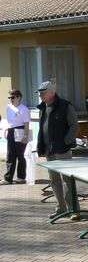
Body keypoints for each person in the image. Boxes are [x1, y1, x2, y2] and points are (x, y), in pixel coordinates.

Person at [36, 81, 79, 220]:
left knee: (67, 180)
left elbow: (74, 126)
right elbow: (42, 128)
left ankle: (74, 210)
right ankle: (61, 208)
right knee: (54, 180)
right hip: (49, 150)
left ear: (52, 92)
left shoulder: (65, 106)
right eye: (40, 93)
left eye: (43, 93)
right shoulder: (42, 107)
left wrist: (66, 142)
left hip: (63, 150)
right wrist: (40, 146)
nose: (41, 95)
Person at [1, 90, 30, 185]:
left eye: (13, 97)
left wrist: (25, 135)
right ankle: (8, 179)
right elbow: (9, 121)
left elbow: (26, 124)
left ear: (19, 97)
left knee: (20, 155)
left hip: (20, 131)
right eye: (10, 98)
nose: (11, 99)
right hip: (11, 131)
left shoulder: (24, 109)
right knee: (10, 155)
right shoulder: (8, 107)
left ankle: (21, 178)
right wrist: (6, 130)